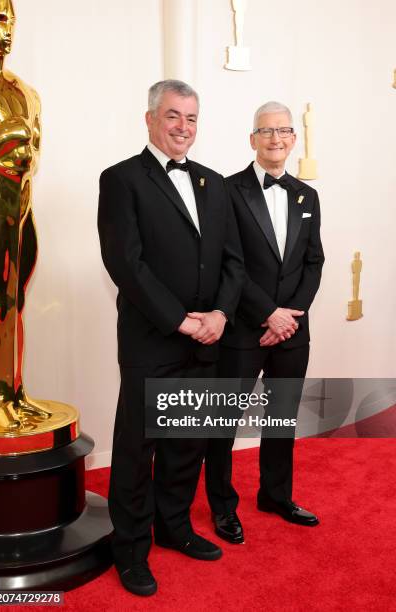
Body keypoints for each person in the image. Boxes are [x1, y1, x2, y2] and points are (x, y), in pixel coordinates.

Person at [98, 79, 244, 596]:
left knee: (187, 442)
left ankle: (174, 528)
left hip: (208, 338)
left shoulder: (215, 183)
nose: (184, 128)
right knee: (139, 448)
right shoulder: (121, 179)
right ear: (150, 119)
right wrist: (181, 319)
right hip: (152, 338)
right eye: (173, 116)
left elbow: (233, 259)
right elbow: (126, 263)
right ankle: (131, 549)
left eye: (192, 118)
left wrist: (221, 314)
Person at [205, 101, 324, 544]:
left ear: (293, 139)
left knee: (281, 418)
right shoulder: (226, 190)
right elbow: (224, 263)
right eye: (266, 131)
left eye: (283, 131)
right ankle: (222, 506)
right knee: (223, 424)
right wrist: (266, 313)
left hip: (292, 330)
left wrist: (290, 316)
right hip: (242, 328)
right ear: (252, 139)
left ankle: (275, 495)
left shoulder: (307, 196)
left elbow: (314, 261)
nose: (275, 138)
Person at [0, 0, 49, 431]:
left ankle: (13, 390)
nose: (4, 30)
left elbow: (33, 152)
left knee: (16, 303)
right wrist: (7, 134)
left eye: (9, 20)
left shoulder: (24, 90)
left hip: (20, 207)